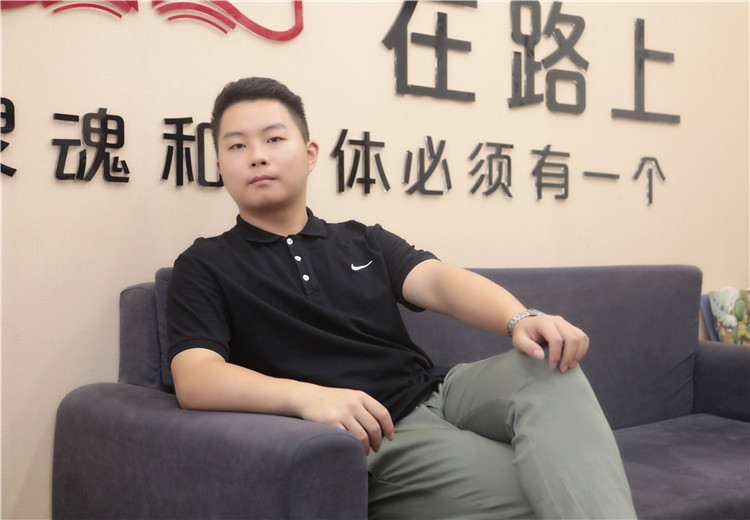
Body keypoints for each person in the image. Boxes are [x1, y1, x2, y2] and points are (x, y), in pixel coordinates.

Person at [166, 77, 637, 519]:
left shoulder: (362, 239)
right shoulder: (205, 264)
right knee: (553, 486)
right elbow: (196, 377)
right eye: (237, 145)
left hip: (443, 390)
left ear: (309, 155)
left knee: (549, 368)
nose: (256, 156)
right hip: (379, 432)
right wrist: (307, 398)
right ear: (220, 167)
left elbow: (438, 281)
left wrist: (519, 318)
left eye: (273, 139)